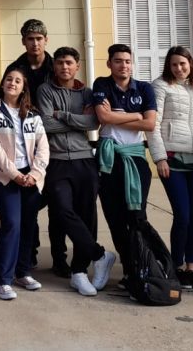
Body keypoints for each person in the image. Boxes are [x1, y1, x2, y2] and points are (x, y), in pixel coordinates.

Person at [36, 47, 116, 297]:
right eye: (59, 63)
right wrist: (74, 119)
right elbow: (46, 123)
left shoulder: (88, 93)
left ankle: (79, 272)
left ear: (77, 66)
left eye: (69, 63)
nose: (64, 67)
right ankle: (100, 255)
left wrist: (62, 115)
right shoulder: (45, 90)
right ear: (55, 66)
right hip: (57, 161)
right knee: (61, 210)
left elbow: (93, 123)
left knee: (87, 215)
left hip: (84, 160)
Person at [6, 19, 68, 276]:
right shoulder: (15, 68)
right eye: (30, 38)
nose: (35, 43)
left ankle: (59, 257)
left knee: (58, 205)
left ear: (46, 40)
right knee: (28, 207)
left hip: (54, 144)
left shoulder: (57, 67)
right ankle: (27, 256)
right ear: (23, 41)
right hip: (26, 145)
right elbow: (8, 100)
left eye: (39, 38)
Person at [0, 68, 49, 300]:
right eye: (9, 79)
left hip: (30, 177)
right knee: (11, 224)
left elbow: (43, 146)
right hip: (5, 178)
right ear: (2, 84)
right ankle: (2, 280)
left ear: (23, 87)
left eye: (17, 81)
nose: (12, 83)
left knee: (29, 225)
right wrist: (15, 175)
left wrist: (36, 173)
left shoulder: (32, 113)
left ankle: (22, 272)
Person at [92, 44, 156, 282]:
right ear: (110, 64)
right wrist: (136, 115)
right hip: (109, 160)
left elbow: (150, 124)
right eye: (118, 61)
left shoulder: (145, 89)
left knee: (137, 216)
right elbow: (103, 117)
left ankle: (143, 263)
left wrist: (116, 117)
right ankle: (129, 268)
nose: (124, 65)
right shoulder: (102, 84)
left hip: (136, 159)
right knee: (114, 217)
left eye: (127, 61)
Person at [150, 46, 193, 290]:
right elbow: (153, 125)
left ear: (191, 64)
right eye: (174, 64)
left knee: (192, 216)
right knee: (182, 214)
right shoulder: (161, 86)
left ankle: (191, 268)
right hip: (173, 160)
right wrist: (159, 158)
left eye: (183, 64)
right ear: (169, 66)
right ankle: (174, 266)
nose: (179, 68)